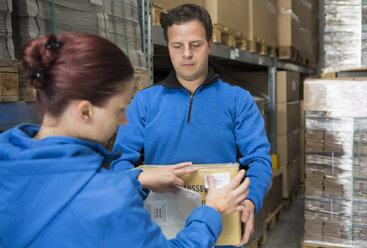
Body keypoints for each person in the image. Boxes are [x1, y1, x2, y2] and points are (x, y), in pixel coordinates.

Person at [0, 32, 250, 248]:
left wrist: (137, 178)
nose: (123, 121)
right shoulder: (113, 202)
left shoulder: (7, 162)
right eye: (119, 109)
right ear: (85, 111)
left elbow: (65, 188)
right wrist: (212, 211)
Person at [110, 4, 272, 247]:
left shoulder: (238, 100)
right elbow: (120, 165)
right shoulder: (144, 103)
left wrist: (250, 202)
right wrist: (145, 177)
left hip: (223, 227)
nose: (186, 53)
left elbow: (259, 161)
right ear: (169, 47)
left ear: (210, 43)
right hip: (162, 233)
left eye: (195, 45)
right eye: (177, 46)